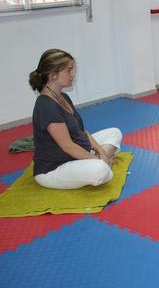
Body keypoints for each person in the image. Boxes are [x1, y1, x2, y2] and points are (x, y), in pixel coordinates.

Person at [29, 49, 123, 189]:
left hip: (75, 152)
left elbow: (81, 130)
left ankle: (98, 161)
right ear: (53, 74)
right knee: (100, 170)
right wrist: (99, 160)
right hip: (54, 168)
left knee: (115, 132)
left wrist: (102, 153)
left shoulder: (63, 97)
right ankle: (100, 164)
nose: (73, 75)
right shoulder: (46, 106)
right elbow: (67, 146)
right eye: (69, 70)